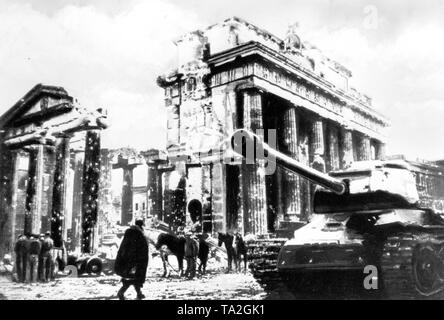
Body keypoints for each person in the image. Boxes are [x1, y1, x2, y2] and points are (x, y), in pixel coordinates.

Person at [114, 219, 149, 300]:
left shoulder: (131, 232)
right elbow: (135, 248)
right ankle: (121, 292)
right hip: (135, 261)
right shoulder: (137, 233)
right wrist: (135, 260)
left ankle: (139, 293)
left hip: (131, 260)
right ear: (141, 225)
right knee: (132, 278)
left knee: (134, 278)